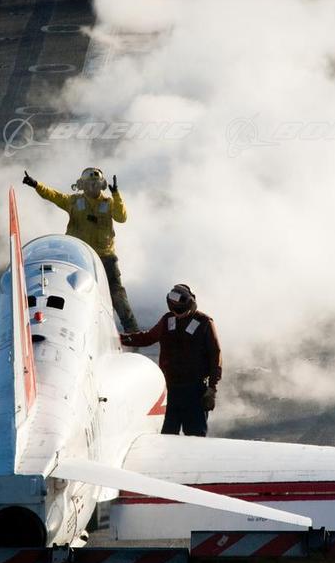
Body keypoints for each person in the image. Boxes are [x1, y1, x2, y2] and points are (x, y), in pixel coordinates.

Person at [23, 166, 138, 331]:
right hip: (78, 256)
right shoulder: (74, 202)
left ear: (102, 185)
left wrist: (116, 195)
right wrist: (36, 185)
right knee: (76, 293)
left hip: (105, 257)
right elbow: (54, 196)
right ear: (82, 185)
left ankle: (132, 331)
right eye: (90, 184)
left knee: (117, 295)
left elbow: (122, 217)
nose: (93, 187)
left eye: (96, 184)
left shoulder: (109, 203)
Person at [121, 283, 222, 437]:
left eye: (181, 310)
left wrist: (212, 389)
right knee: (166, 435)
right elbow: (148, 337)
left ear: (190, 304)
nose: (178, 314)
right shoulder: (168, 320)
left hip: (194, 391)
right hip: (170, 390)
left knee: (195, 437)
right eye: (174, 310)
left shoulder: (204, 323)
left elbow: (216, 355)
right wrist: (122, 339)